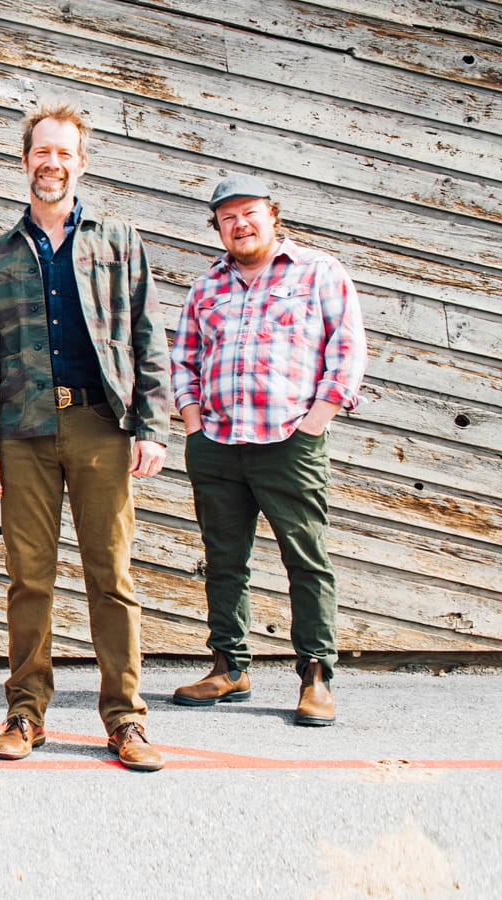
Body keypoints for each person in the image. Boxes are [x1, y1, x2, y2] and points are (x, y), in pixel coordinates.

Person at [0, 100, 174, 772]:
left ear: (81, 163)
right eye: (41, 152)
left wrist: (153, 425)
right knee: (29, 578)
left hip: (100, 427)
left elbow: (148, 338)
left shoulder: (118, 241)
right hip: (24, 432)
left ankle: (126, 719)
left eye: (63, 153)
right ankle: (25, 712)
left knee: (112, 575)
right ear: (25, 162)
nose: (51, 163)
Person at [170, 175, 367, 726]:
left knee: (306, 559)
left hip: (288, 444)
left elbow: (347, 349)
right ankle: (228, 666)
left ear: (272, 216)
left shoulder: (318, 272)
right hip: (217, 444)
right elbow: (183, 359)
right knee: (223, 561)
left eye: (249, 213)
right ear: (218, 228)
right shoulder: (206, 286)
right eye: (227, 217)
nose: (240, 224)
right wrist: (193, 425)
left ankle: (316, 676)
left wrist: (314, 424)